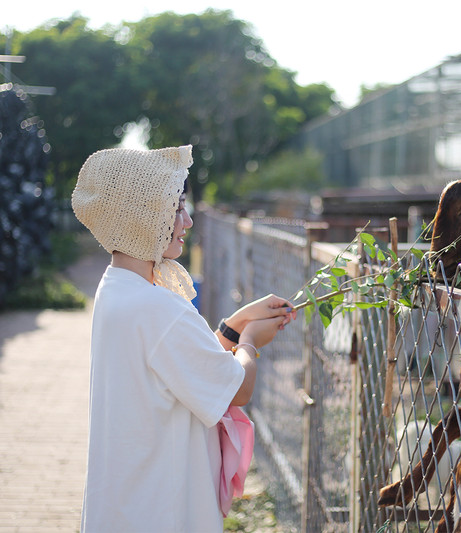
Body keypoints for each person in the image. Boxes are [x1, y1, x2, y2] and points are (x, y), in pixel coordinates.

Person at [71, 145, 296, 532]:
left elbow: (182, 363)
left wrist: (236, 323)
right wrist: (249, 343)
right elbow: (236, 389)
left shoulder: (117, 288)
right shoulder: (157, 306)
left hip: (129, 503)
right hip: (163, 509)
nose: (187, 221)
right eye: (176, 209)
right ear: (142, 217)